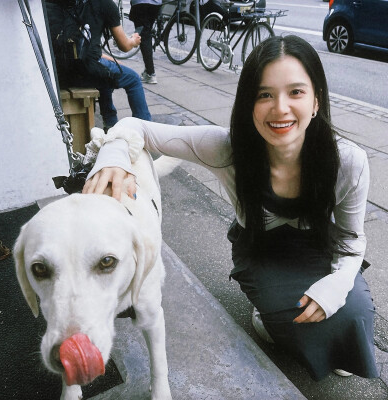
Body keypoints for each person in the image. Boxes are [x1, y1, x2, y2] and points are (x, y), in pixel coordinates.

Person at [82, 35, 378, 381]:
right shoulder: (227, 148)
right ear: (248, 103)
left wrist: (340, 283)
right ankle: (267, 318)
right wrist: (113, 156)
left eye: (295, 92)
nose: (280, 108)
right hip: (263, 252)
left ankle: (334, 337)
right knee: (293, 320)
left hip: (320, 250)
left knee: (354, 311)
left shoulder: (348, 161)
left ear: (316, 101)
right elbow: (137, 128)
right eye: (264, 94)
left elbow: (351, 239)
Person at [46, 0, 151, 129]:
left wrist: (108, 59)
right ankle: (145, 128)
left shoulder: (66, 4)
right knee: (133, 79)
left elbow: (80, 45)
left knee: (104, 69)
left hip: (60, 74)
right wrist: (134, 41)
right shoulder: (105, 4)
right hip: (84, 72)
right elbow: (124, 46)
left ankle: (111, 123)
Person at [129, 0, 162, 84]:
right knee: (146, 32)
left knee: (145, 36)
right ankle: (148, 71)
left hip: (140, 3)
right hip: (155, 4)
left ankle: (150, 73)